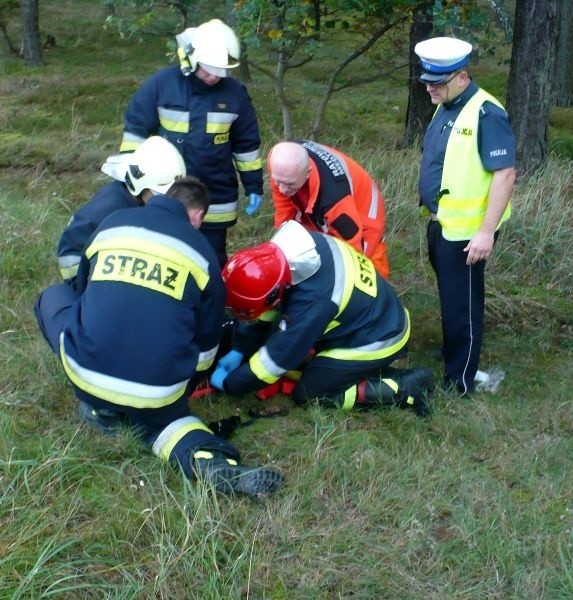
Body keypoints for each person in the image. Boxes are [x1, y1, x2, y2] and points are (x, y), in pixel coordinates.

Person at [33, 140, 283, 499]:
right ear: (196, 216)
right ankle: (207, 460)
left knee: (52, 296)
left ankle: (100, 409)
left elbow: (86, 294)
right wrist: (189, 380)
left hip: (86, 372)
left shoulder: (112, 224)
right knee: (166, 423)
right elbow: (206, 342)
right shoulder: (202, 255)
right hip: (157, 389)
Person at [210, 220, 435, 414]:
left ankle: (404, 388)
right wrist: (240, 348)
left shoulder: (313, 299)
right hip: (369, 315)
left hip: (378, 336)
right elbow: (269, 310)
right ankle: (352, 372)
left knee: (311, 392)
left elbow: (275, 360)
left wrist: (233, 384)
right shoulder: (287, 253)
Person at [414, 36, 517, 396]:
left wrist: (486, 232)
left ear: (462, 76)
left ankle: (460, 381)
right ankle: (454, 357)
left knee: (464, 307)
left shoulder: (487, 112)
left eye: (437, 82)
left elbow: (504, 174)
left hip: (468, 234)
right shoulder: (446, 106)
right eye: (426, 81)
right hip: (442, 224)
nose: (429, 88)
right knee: (451, 300)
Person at [119, 18, 263, 267]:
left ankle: (213, 303)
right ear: (191, 58)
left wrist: (254, 186)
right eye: (209, 69)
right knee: (166, 253)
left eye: (221, 71)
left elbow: (246, 145)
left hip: (216, 193)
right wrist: (130, 181)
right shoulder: (161, 85)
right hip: (167, 189)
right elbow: (136, 134)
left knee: (211, 258)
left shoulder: (234, 94)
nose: (214, 77)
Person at [56, 137, 186, 288]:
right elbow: (70, 254)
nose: (167, 201)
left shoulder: (141, 203)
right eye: (160, 195)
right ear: (138, 185)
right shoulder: (103, 212)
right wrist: (85, 288)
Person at [268, 140, 390, 278]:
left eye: (289, 184)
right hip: (328, 199)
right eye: (278, 181)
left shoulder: (334, 200)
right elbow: (284, 207)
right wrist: (281, 242)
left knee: (363, 266)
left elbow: (353, 248)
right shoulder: (280, 163)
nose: (282, 189)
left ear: (307, 173)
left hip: (364, 213)